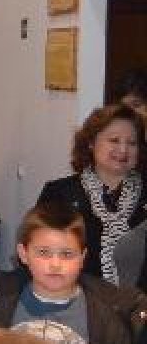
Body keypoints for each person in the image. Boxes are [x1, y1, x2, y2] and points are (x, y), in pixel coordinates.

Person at [0, 201, 147, 344]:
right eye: (44, 253)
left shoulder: (109, 310)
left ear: (82, 257)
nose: (55, 264)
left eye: (67, 254)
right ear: (24, 254)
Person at [37, 104, 147, 287]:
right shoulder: (59, 193)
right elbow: (39, 256)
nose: (123, 150)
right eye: (114, 140)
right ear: (91, 143)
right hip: (74, 305)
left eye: (132, 143)